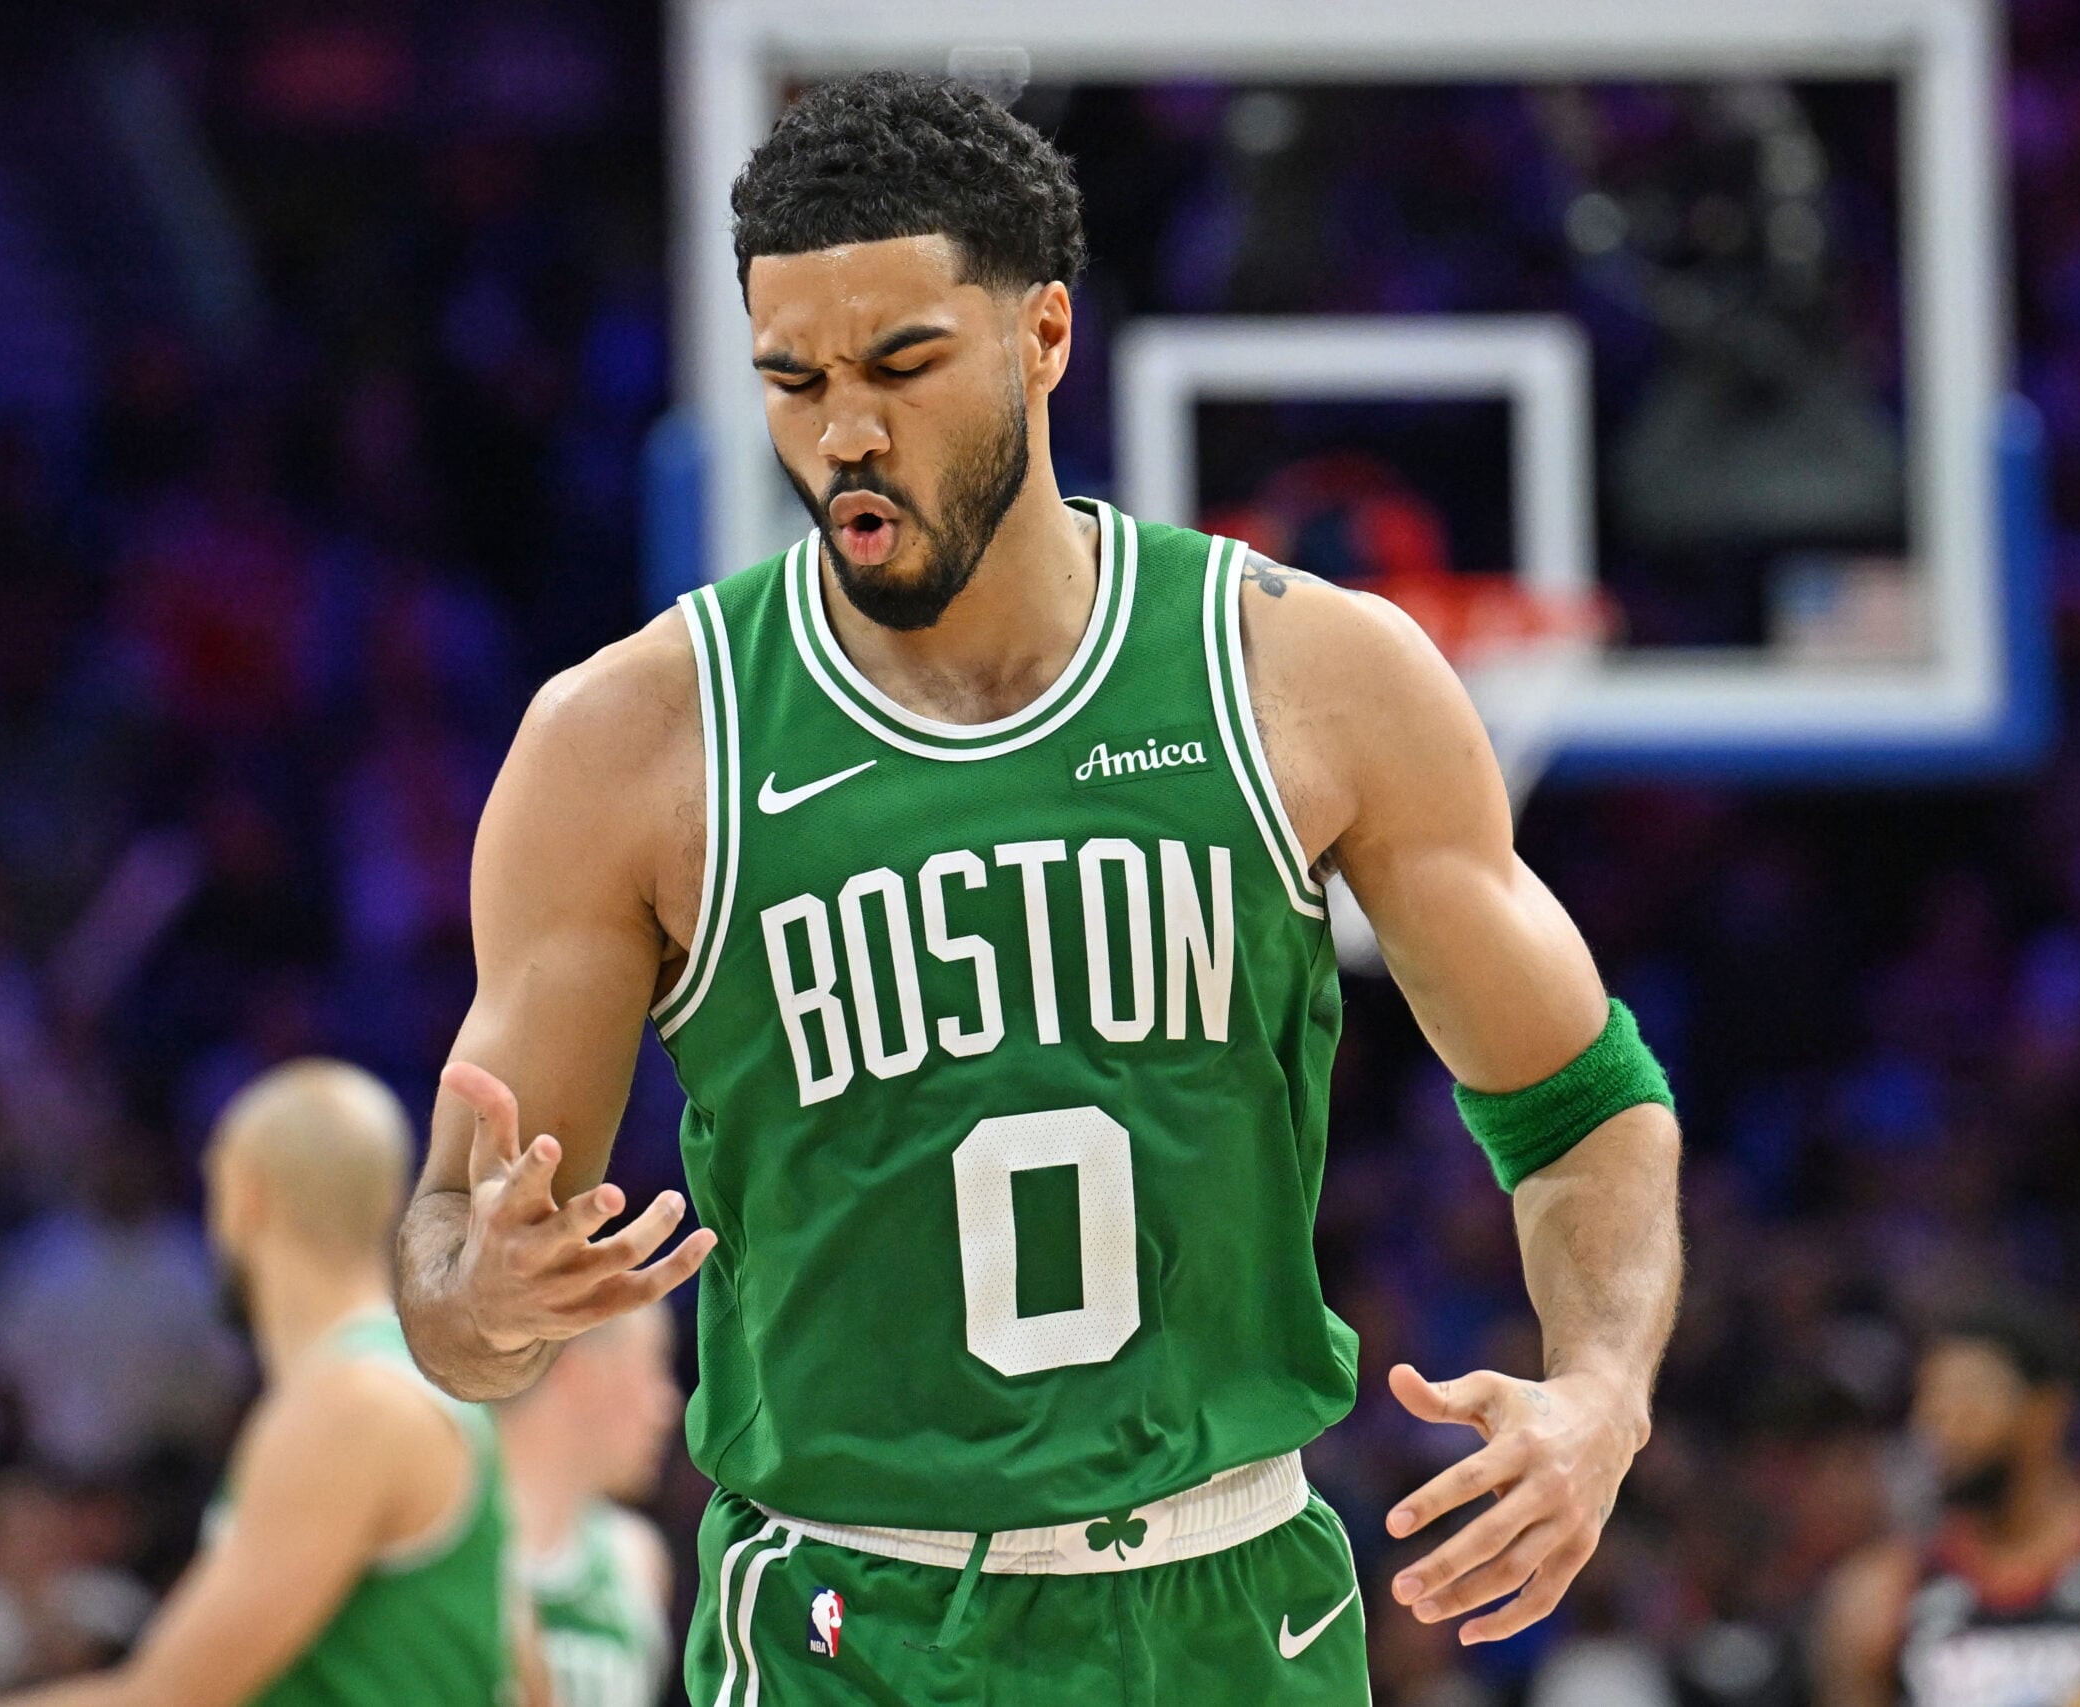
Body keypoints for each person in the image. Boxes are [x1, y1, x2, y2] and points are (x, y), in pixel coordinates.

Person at [396, 69, 1683, 1705]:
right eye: (791, 379)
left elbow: (1581, 1104)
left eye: (902, 365)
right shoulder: (632, 744)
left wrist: (1601, 1390)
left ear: (1045, 335)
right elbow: (455, 1254)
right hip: (848, 1624)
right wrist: (485, 1300)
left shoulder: (1305, 673)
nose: (843, 428)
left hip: (1237, 1606)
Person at [0, 1059, 532, 1706]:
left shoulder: (348, 1403)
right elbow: (528, 1672)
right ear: (387, 1200)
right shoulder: (419, 1383)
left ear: (245, 1196)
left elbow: (168, 1695)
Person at [1815, 1296, 2080, 1707]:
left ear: (2047, 1412)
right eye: (1929, 1401)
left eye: (1966, 1399)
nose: (1939, 1426)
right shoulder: (1880, 1592)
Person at [498, 1304, 679, 1707]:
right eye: (653, 1367)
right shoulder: (453, 1533)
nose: (669, 1406)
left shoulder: (635, 1557)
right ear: (577, 1372)